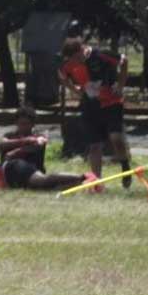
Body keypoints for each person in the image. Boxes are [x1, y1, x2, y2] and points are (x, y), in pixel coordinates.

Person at [58, 39, 132, 187]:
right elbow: (62, 75)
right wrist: (75, 90)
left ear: (81, 51)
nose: (74, 63)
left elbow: (124, 61)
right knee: (94, 145)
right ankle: (96, 182)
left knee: (116, 138)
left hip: (111, 102)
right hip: (90, 105)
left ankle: (125, 165)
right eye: (71, 60)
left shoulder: (100, 55)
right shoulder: (68, 64)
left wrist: (121, 85)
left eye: (76, 59)